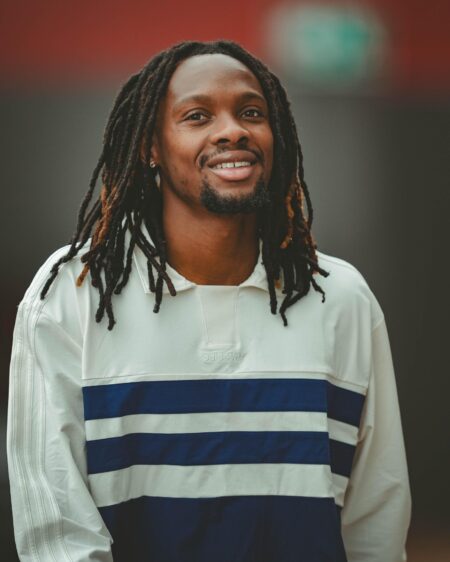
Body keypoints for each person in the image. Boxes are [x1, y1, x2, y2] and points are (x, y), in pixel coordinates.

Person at [7, 40, 411, 562]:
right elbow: (57, 529)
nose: (232, 130)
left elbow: (377, 517)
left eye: (251, 113)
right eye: (197, 116)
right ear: (150, 146)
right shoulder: (74, 292)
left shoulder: (341, 298)